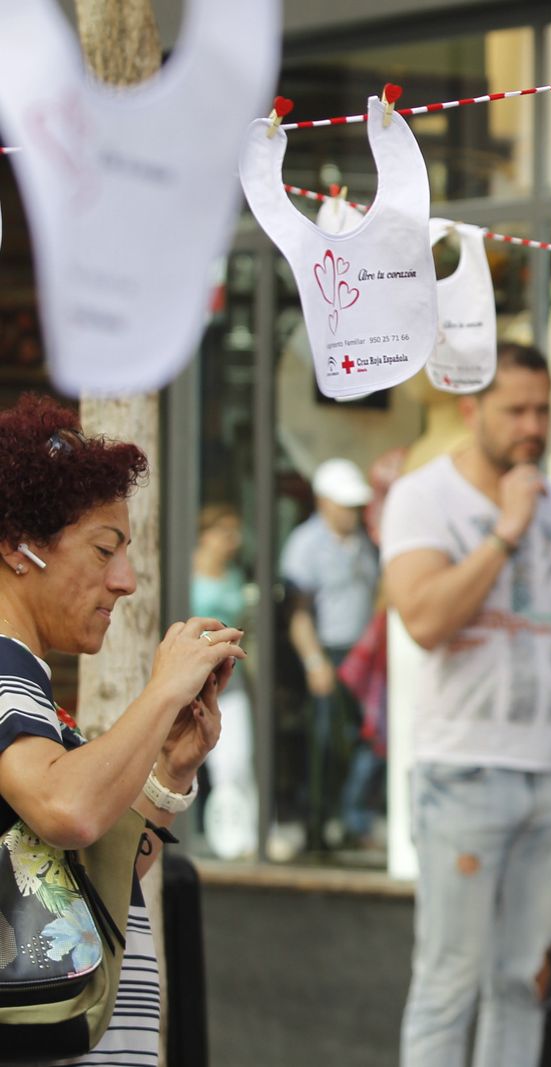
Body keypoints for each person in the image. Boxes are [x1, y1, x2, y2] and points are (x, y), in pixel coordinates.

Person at [0, 395, 246, 1065]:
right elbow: (67, 809)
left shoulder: (30, 689)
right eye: (104, 549)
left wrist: (169, 773)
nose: (126, 581)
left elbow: (94, 874)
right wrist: (163, 688)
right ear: (18, 548)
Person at [384, 342, 551, 1066]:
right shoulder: (424, 496)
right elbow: (425, 620)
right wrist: (505, 530)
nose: (532, 425)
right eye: (515, 410)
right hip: (464, 771)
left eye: (543, 409)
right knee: (449, 982)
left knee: (524, 981)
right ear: (471, 409)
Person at [280, 457, 380, 851]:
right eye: (345, 504)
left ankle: (352, 820)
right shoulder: (306, 544)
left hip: (364, 656)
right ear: (323, 501)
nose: (352, 512)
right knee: (325, 744)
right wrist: (314, 661)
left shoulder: (363, 542)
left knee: (367, 741)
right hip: (330, 655)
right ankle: (317, 827)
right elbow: (298, 612)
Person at [191, 503, 257, 859]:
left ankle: (242, 836)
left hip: (231, 676)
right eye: (225, 532)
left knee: (236, 758)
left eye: (236, 533)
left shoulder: (234, 575)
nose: (232, 540)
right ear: (206, 535)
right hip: (195, 678)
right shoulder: (186, 571)